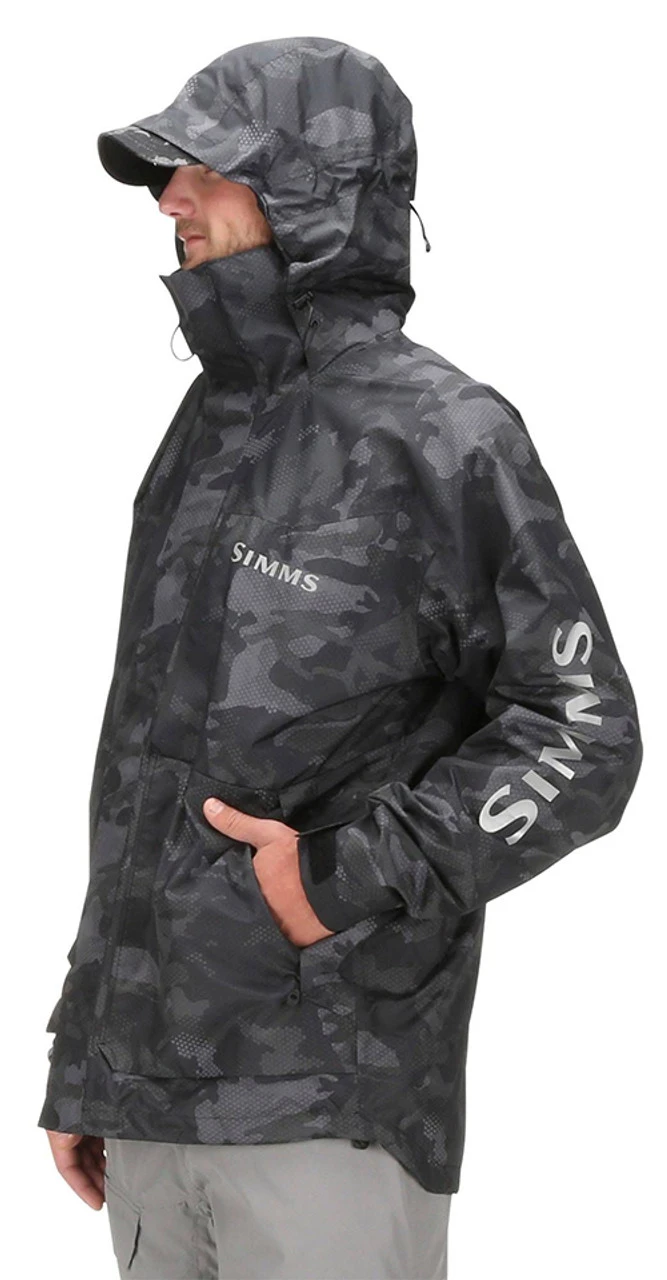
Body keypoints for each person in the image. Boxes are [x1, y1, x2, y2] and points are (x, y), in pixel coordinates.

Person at [37, 34, 643, 1280]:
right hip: (149, 1108)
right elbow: (149, 765)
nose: (168, 200)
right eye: (168, 172)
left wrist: (334, 876)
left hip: (330, 1102)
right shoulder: (205, 428)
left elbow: (582, 731)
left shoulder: (442, 434)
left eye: (204, 169)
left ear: (313, 190)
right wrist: (87, 1051)